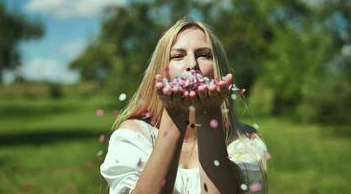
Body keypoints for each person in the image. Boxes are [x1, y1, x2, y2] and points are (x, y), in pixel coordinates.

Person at [100, 17, 268, 194]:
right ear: (162, 69)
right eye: (178, 56)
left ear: (219, 69)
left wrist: (209, 114)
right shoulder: (136, 135)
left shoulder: (243, 140)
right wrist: (174, 117)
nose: (192, 65)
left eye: (204, 55)